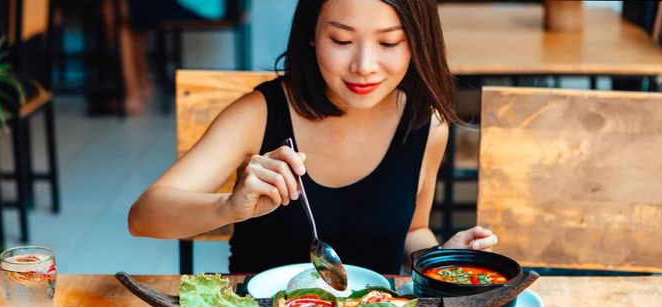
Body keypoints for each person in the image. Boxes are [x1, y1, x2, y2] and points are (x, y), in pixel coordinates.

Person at [128, 0, 498, 274]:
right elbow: (144, 216)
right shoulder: (257, 114)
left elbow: (413, 229)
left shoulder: (426, 125)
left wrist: (440, 262)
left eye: (389, 43)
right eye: (341, 40)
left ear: (418, 43)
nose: (364, 66)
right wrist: (229, 206)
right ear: (311, 35)